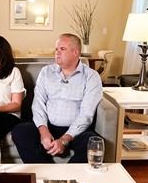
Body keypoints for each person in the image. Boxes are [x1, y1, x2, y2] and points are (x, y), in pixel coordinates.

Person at [12, 33, 103, 163]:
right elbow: (38, 104)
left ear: (75, 52)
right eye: (56, 49)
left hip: (76, 131)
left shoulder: (91, 76)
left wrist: (64, 139)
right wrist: (43, 131)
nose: (57, 52)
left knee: (93, 143)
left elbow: (86, 114)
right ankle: (45, 171)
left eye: (62, 49)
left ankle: (68, 174)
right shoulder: (46, 72)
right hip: (48, 126)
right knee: (20, 131)